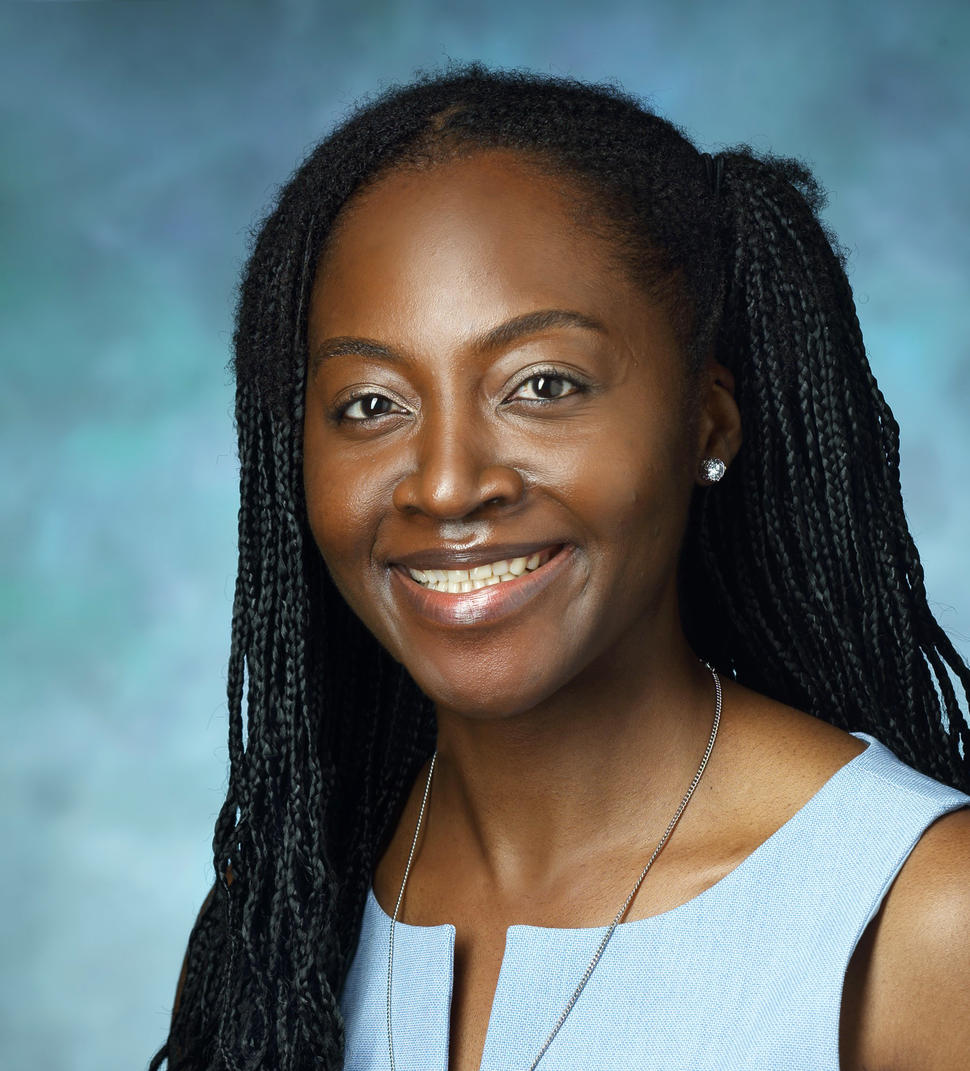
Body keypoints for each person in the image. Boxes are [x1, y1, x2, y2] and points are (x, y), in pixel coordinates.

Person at [150, 65, 970, 1071]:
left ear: (706, 419)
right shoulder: (277, 917)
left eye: (542, 385)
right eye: (370, 404)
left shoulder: (918, 915)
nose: (446, 485)